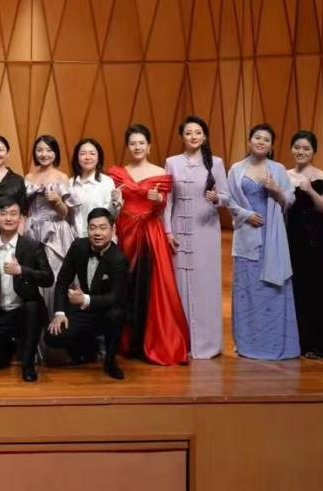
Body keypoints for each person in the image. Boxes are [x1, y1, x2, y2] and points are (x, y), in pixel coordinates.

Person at [108, 124, 189, 365]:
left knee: (151, 286)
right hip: (125, 231)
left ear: (149, 146)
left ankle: (152, 340)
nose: (137, 147)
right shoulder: (118, 173)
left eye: (141, 143)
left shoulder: (160, 173)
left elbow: (164, 205)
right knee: (125, 284)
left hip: (149, 233)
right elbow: (115, 204)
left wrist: (158, 199)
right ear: (127, 146)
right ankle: (126, 341)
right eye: (133, 143)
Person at [226, 123, 298, 361]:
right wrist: (246, 215)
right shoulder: (236, 169)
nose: (261, 142)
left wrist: (276, 190)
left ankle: (275, 342)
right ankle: (248, 343)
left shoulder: (278, 169)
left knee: (273, 288)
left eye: (266, 140)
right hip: (247, 234)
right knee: (247, 288)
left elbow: (290, 200)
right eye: (257, 138)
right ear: (249, 141)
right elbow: (229, 201)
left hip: (272, 236)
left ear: (271, 146)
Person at [163, 116, 228, 360]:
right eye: (189, 132)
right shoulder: (172, 162)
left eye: (198, 132)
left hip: (206, 231)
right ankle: (183, 343)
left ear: (205, 136)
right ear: (182, 136)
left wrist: (217, 198)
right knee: (180, 284)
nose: (193, 136)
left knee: (206, 285)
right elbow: (167, 200)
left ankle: (207, 344)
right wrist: (168, 231)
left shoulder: (216, 163)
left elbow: (227, 197)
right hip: (179, 231)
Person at [0, 197, 53, 382]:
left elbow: (48, 278)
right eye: (3, 213)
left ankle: (28, 365)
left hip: (26, 312)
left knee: (32, 307)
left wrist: (22, 270)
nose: (8, 218)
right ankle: (6, 350)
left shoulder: (32, 246)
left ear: (21, 218)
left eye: (14, 214)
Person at [45, 208, 129, 380]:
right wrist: (59, 313)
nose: (97, 233)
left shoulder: (119, 259)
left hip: (106, 311)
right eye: (92, 227)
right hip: (82, 310)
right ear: (87, 229)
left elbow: (115, 297)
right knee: (52, 336)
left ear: (113, 230)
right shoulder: (78, 246)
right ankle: (86, 349)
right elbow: (62, 281)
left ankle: (110, 362)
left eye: (103, 228)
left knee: (116, 314)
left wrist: (85, 299)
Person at [285, 130, 323, 359]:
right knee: (296, 287)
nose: (301, 152)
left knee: (316, 288)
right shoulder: (284, 175)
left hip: (316, 237)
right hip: (292, 236)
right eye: (297, 147)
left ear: (314, 151)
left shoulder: (320, 175)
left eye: (306, 148)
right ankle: (299, 341)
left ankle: (317, 343)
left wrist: (310, 190)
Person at [22, 135, 74, 314]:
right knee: (34, 273)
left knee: (55, 272)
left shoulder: (61, 176)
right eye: (39, 150)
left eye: (49, 150)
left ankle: (56, 316)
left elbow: (66, 213)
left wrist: (57, 201)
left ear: (56, 153)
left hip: (55, 230)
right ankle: (38, 319)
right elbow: (24, 208)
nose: (44, 154)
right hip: (32, 228)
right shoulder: (29, 177)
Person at [67, 138, 122, 241]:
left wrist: (115, 202)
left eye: (92, 154)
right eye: (83, 154)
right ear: (77, 158)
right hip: (75, 240)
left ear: (98, 158)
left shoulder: (106, 182)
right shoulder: (69, 184)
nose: (87, 157)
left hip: (101, 240)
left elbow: (111, 216)